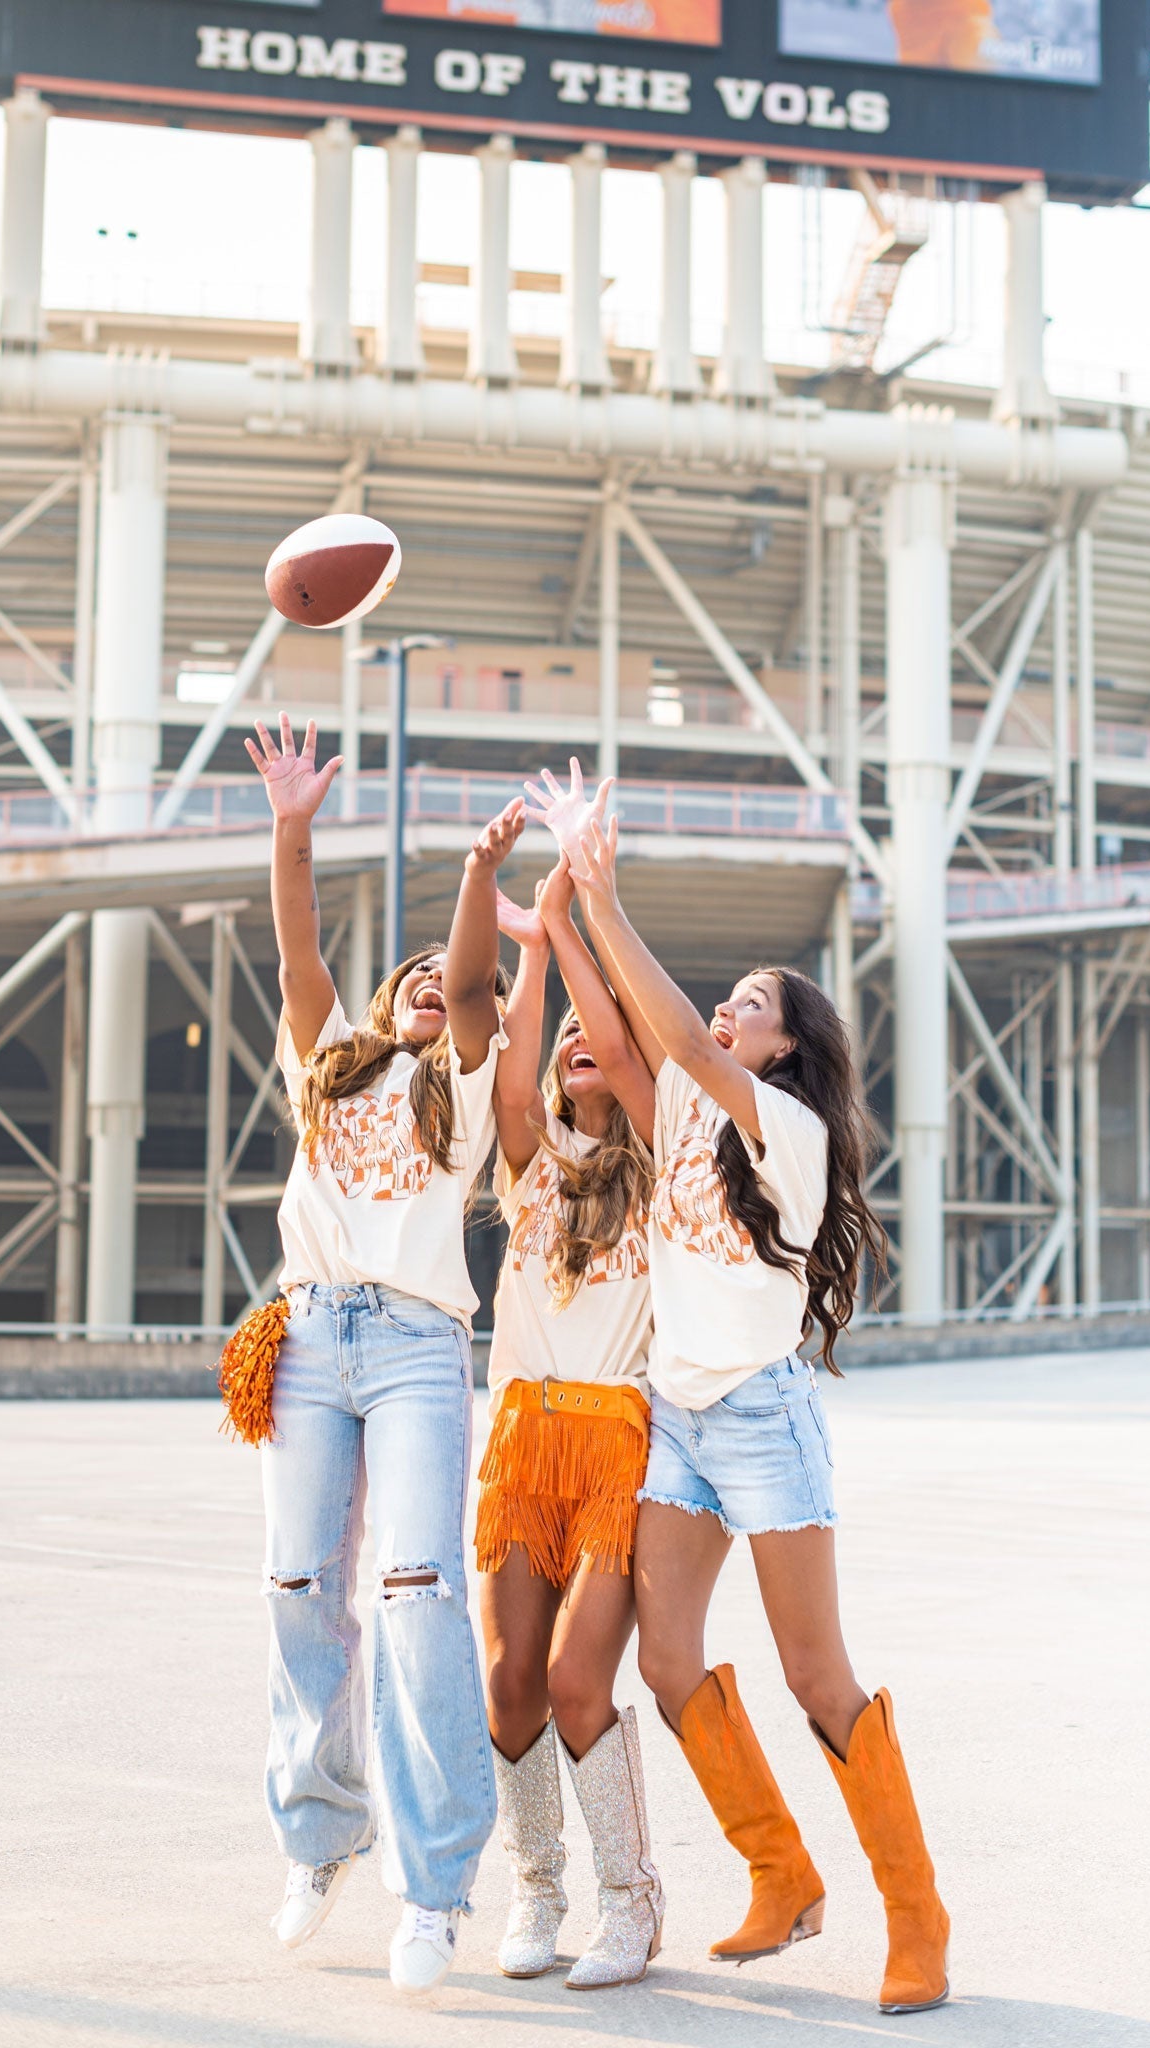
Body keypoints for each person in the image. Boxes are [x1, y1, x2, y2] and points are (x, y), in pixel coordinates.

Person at [530, 762, 950, 2017]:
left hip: (764, 1419)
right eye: (729, 997)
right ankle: (781, 1871)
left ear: (785, 1045)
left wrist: (605, 897)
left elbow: (656, 1022)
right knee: (665, 1660)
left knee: (819, 1675)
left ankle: (917, 1915)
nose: (725, 1009)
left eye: (749, 1003)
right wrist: (558, 917)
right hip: (680, 1420)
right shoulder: (681, 1126)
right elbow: (617, 1036)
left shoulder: (788, 1131)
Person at [243, 713, 522, 1996]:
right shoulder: (332, 1071)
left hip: (413, 1344)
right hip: (308, 1334)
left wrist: (476, 874)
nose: (428, 987)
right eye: (406, 975)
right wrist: (293, 823)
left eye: (442, 986)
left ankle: (436, 1887)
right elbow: (299, 943)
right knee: (301, 1586)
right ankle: (321, 1828)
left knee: (413, 1592)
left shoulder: (457, 1089)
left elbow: (473, 983)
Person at [478, 858, 663, 1991]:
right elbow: (510, 1076)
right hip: (521, 1444)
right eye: (564, 1047)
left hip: (615, 1445)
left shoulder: (657, 1168)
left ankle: (632, 1899)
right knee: (510, 1678)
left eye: (593, 1042)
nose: (576, 1049)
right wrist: (533, 949)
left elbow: (631, 1049)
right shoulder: (533, 1168)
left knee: (578, 1678)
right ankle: (536, 1883)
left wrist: (570, 914)